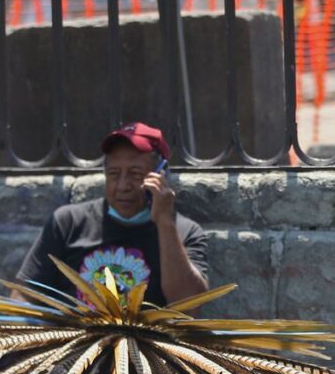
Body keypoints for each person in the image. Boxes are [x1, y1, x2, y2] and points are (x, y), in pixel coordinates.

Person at [15, 122, 209, 307]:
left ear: (160, 175)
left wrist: (165, 223)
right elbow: (25, 295)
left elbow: (188, 307)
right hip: (79, 339)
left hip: (144, 341)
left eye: (136, 174)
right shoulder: (69, 223)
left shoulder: (185, 233)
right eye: (114, 174)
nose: (123, 186)